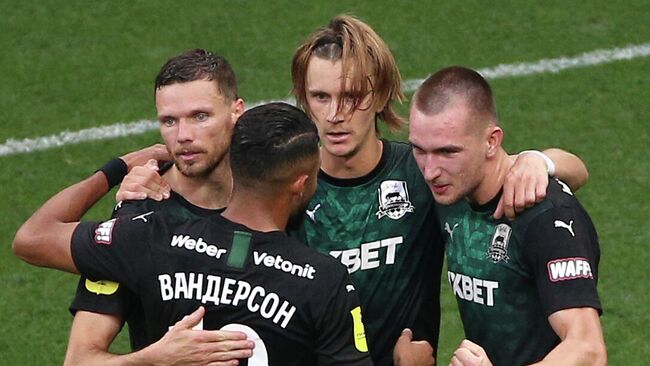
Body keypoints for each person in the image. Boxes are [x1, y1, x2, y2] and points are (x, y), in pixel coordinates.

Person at [289, 14, 590, 366]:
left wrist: (538, 160)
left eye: (351, 96)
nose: (335, 114)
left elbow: (571, 171)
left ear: (382, 93)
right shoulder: (288, 183)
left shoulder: (424, 173)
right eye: (320, 97)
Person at [13, 102, 373, 365]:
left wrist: (118, 168)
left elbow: (33, 237)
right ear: (301, 183)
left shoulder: (150, 235)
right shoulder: (325, 281)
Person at [64, 48, 255, 365]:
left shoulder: (274, 192)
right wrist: (155, 358)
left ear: (237, 111)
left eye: (200, 116)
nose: (183, 136)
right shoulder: (137, 218)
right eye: (169, 121)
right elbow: (78, 360)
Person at [408, 66, 606, 365]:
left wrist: (541, 161)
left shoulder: (546, 218)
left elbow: (588, 351)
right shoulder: (450, 189)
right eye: (419, 150)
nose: (429, 170)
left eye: (448, 152)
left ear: (491, 141)